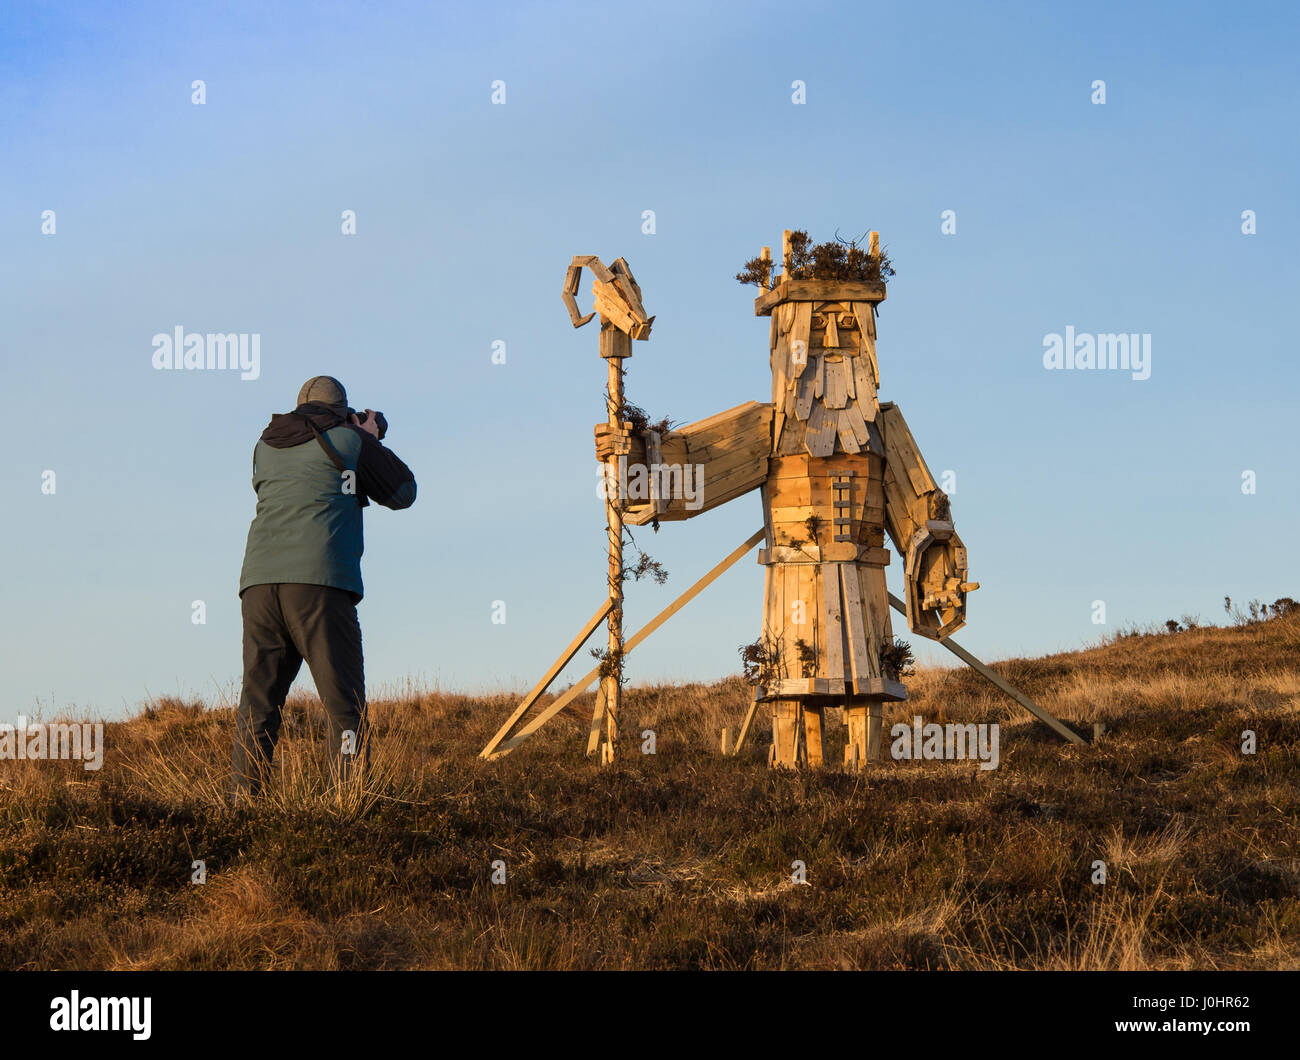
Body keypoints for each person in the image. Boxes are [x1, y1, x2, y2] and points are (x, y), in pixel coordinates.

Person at [232, 375, 417, 799]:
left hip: (258, 586)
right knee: (344, 709)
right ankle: (346, 804)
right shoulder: (350, 441)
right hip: (319, 586)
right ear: (342, 410)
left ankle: (241, 807)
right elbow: (403, 492)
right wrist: (369, 437)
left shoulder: (264, 447)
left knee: (257, 708)